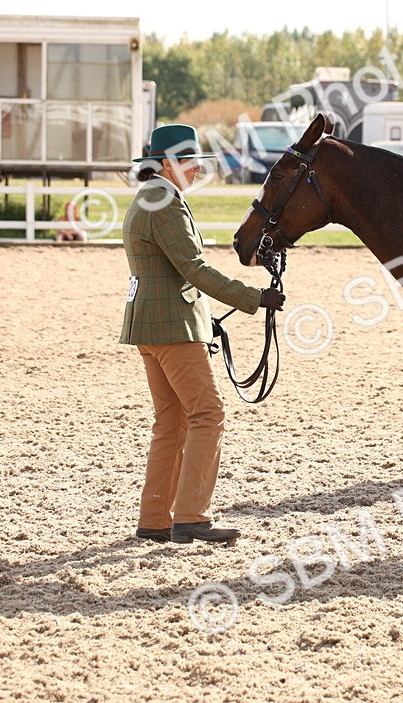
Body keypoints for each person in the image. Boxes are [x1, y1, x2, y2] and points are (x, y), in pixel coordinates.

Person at [121, 124, 285, 545]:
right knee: (208, 415)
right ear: (167, 164)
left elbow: (170, 274)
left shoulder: (148, 198)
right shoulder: (166, 205)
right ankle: (192, 515)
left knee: (171, 422)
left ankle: (155, 517)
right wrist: (254, 298)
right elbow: (193, 268)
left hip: (154, 324)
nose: (197, 170)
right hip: (173, 328)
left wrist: (204, 314)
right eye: (190, 162)